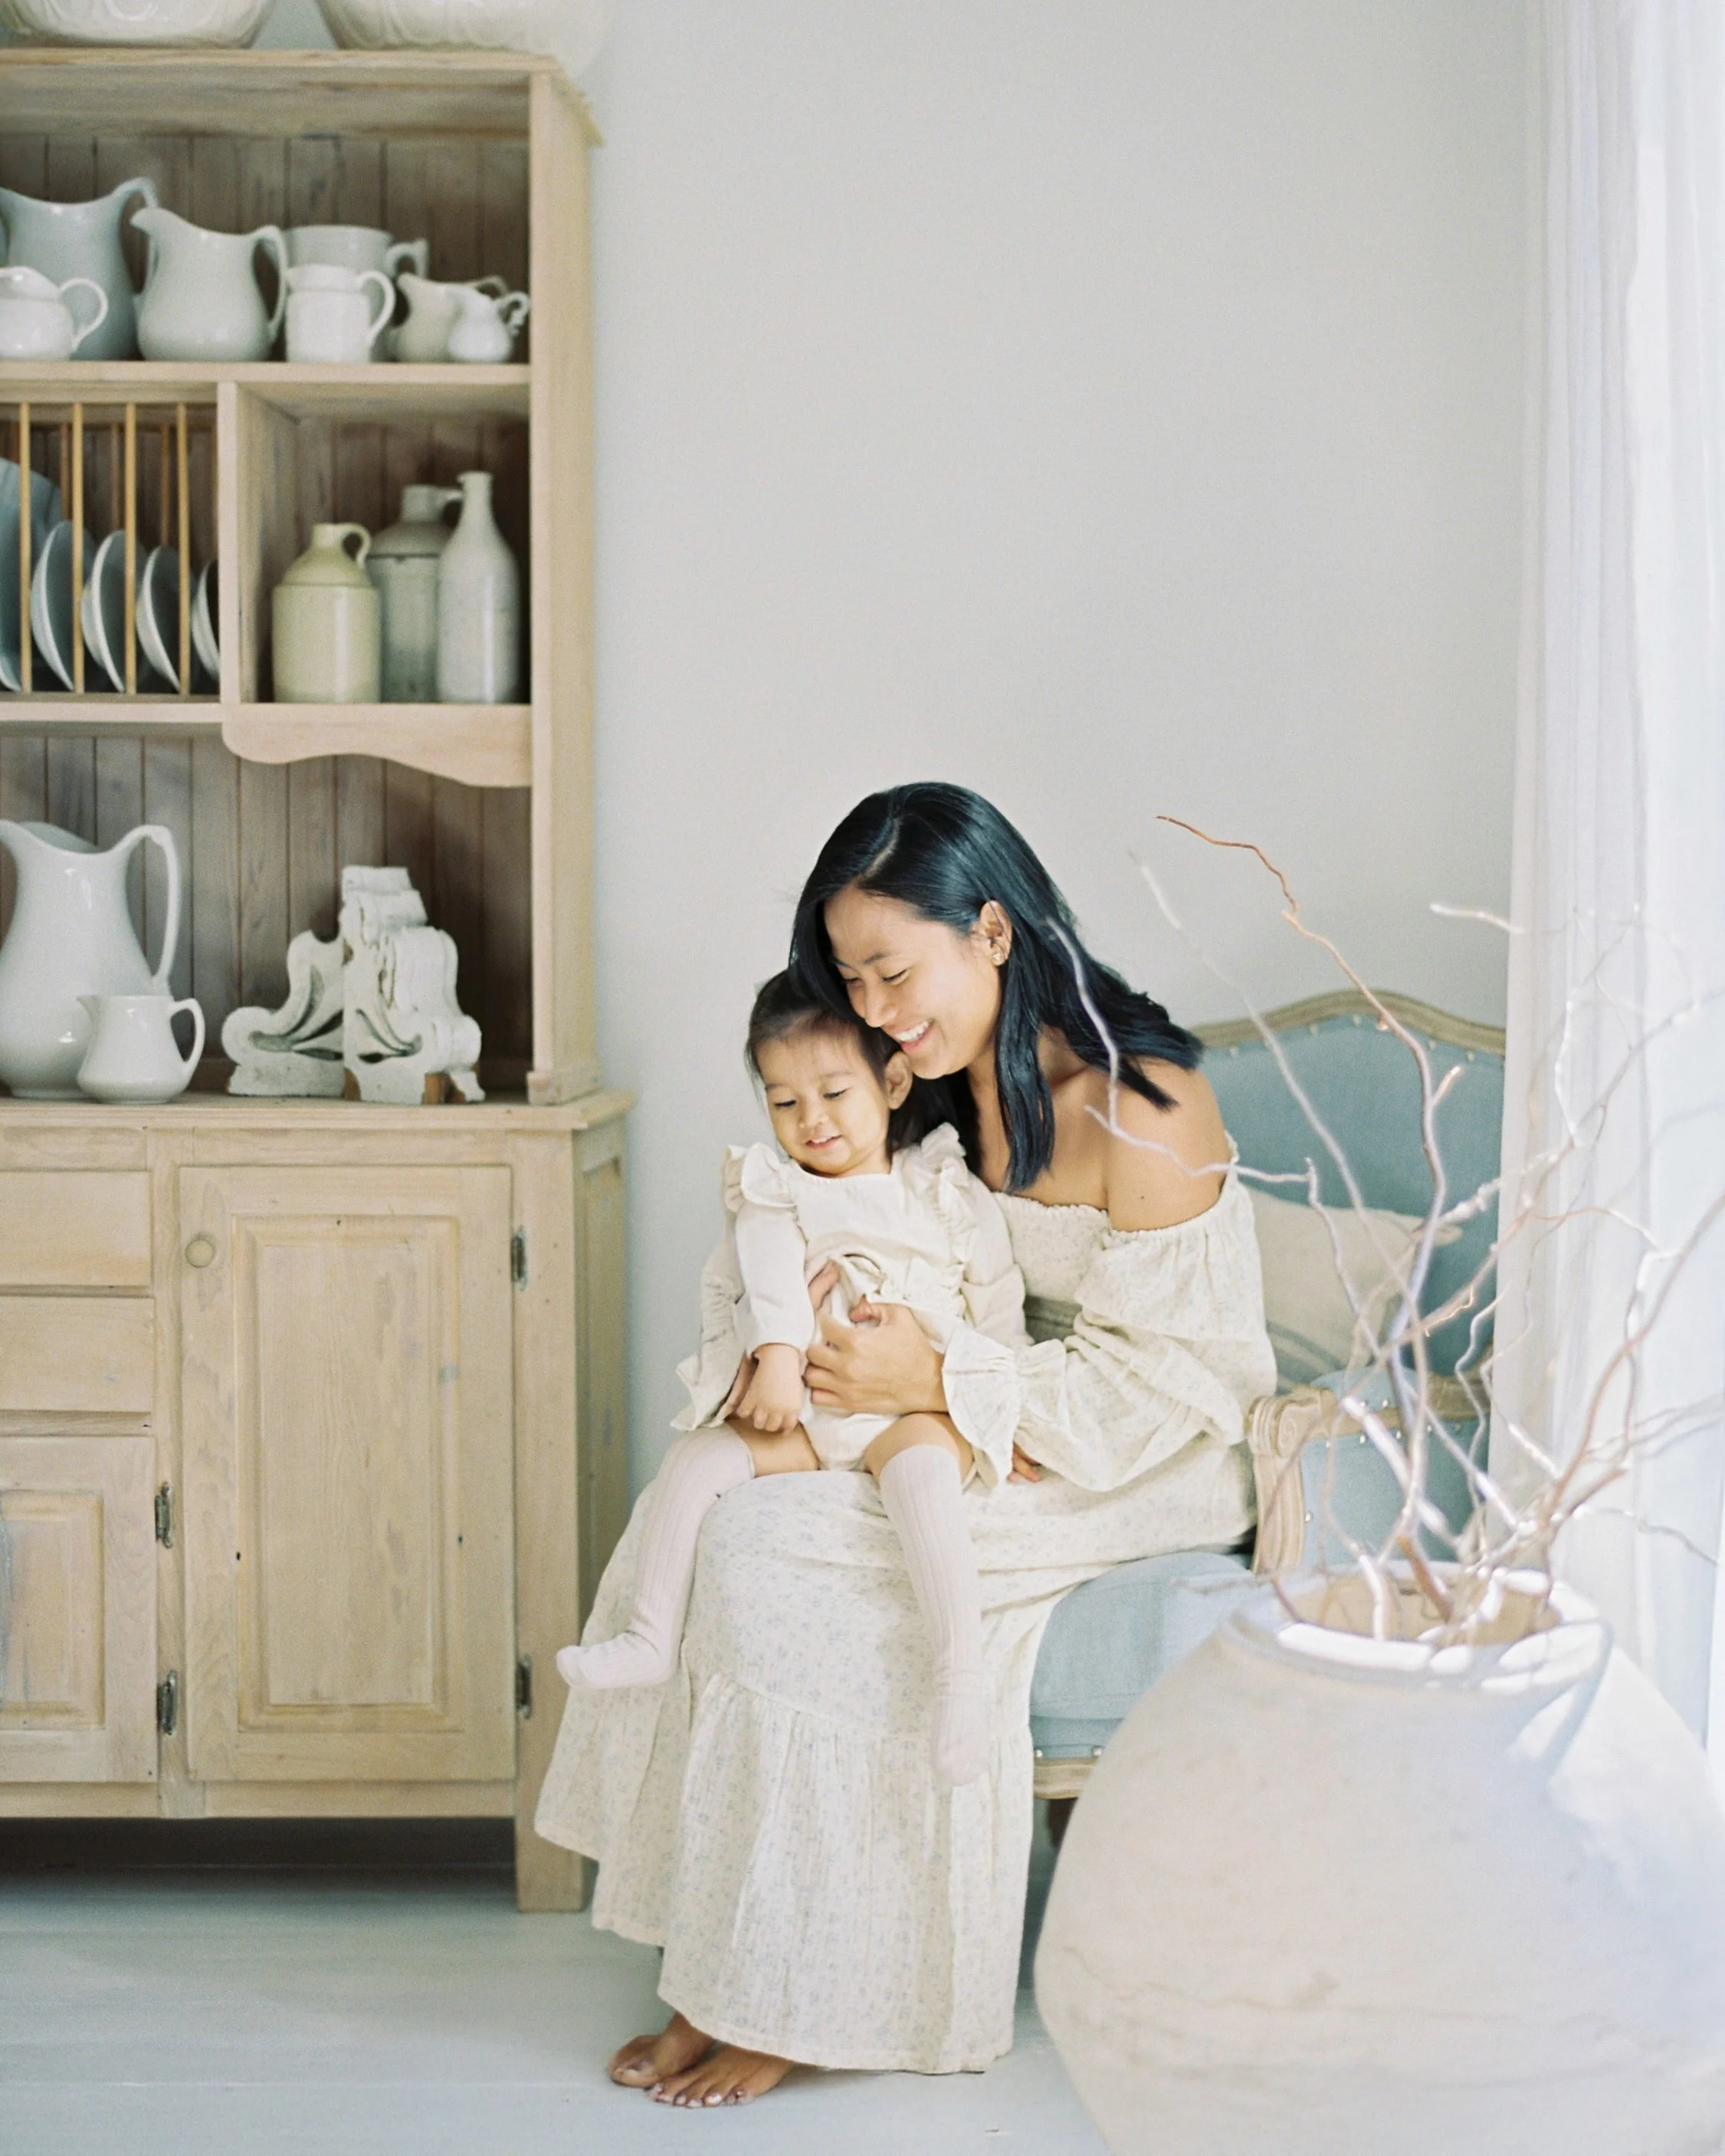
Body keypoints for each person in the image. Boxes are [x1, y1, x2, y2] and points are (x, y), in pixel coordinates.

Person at [536, 783, 1275, 2107]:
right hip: (965, 1402)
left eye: (891, 969)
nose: (874, 1010)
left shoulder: (1143, 1104)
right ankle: (729, 1966)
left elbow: (1172, 1382)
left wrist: (942, 1380)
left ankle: (813, 1989)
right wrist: (816, 1337)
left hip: (1129, 1448)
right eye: (851, 978)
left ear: (991, 929)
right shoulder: (927, 1093)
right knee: (720, 1513)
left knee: (804, 1566)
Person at [557, 969, 1029, 1788]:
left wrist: (1003, 1411)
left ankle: (959, 1680)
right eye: (783, 1102)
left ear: (889, 1081)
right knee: (697, 1460)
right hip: (810, 1406)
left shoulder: (943, 1190)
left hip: (912, 1410)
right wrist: (776, 1357)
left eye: (832, 1092)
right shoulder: (777, 1191)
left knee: (920, 1472)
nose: (810, 1120)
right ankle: (646, 1635)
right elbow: (766, 1273)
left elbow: (999, 1307)